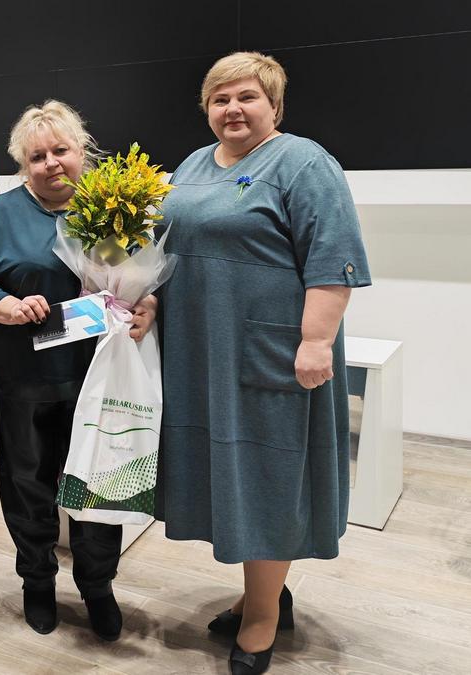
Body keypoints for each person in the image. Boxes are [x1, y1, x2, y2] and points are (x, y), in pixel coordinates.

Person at [156, 52, 371, 674]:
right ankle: (264, 593)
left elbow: (334, 258)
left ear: (274, 105)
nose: (233, 109)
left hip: (270, 352)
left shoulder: (303, 162)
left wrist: (316, 342)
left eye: (247, 97)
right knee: (231, 473)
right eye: (220, 98)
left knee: (269, 475)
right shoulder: (193, 165)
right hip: (200, 351)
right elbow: (165, 247)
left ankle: (262, 617)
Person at [0, 100, 157, 642]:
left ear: (81, 151)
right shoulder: (2, 214)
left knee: (100, 478)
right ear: (24, 164)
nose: (51, 163)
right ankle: (37, 580)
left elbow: (141, 281)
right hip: (25, 375)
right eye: (37, 156)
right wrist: (5, 304)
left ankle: (97, 585)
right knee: (28, 481)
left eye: (60, 150)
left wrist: (148, 303)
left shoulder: (112, 209)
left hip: (98, 375)